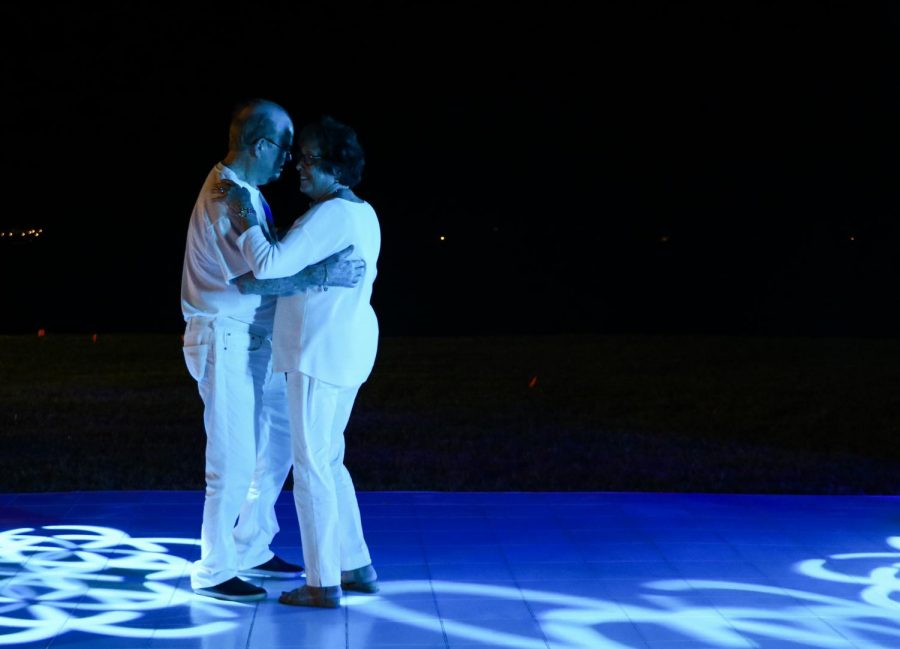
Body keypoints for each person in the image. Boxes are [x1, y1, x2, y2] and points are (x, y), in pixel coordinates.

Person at [181, 99, 365, 603]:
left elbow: (263, 263)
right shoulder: (227, 198)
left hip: (251, 343)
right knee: (233, 459)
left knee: (275, 448)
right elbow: (252, 279)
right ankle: (215, 568)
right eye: (284, 149)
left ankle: (252, 545)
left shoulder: (245, 193)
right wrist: (321, 274)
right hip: (225, 338)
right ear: (260, 145)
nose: (289, 161)